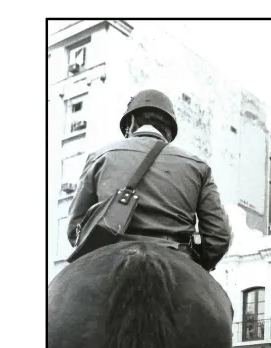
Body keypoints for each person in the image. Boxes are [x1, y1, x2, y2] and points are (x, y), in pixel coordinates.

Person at [66, 89, 232, 271]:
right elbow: (218, 236)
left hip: (108, 260)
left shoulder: (99, 157)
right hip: (178, 261)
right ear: (169, 131)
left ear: (131, 122)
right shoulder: (198, 167)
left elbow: (75, 228)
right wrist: (196, 270)